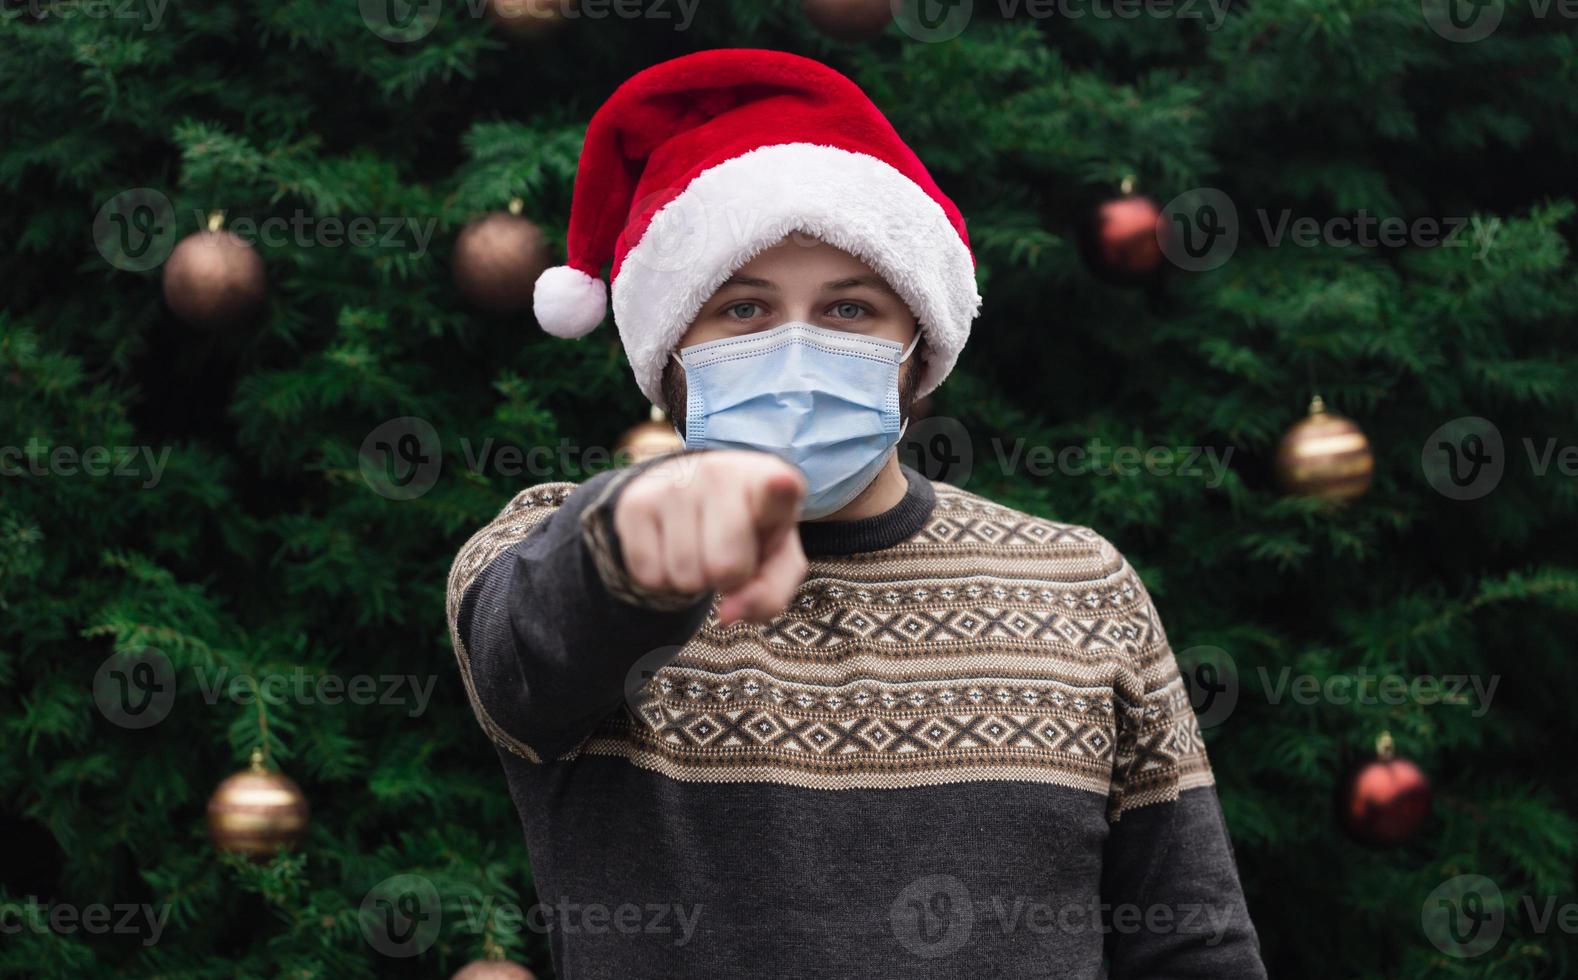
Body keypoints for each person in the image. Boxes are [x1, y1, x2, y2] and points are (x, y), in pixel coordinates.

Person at [446, 48, 1266, 979]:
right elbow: (544, 638)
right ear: (669, 353)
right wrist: (648, 541)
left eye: (849, 309)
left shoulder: (1080, 584)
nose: (796, 348)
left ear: (921, 350)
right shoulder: (544, 551)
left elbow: (1192, 944)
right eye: (744, 310)